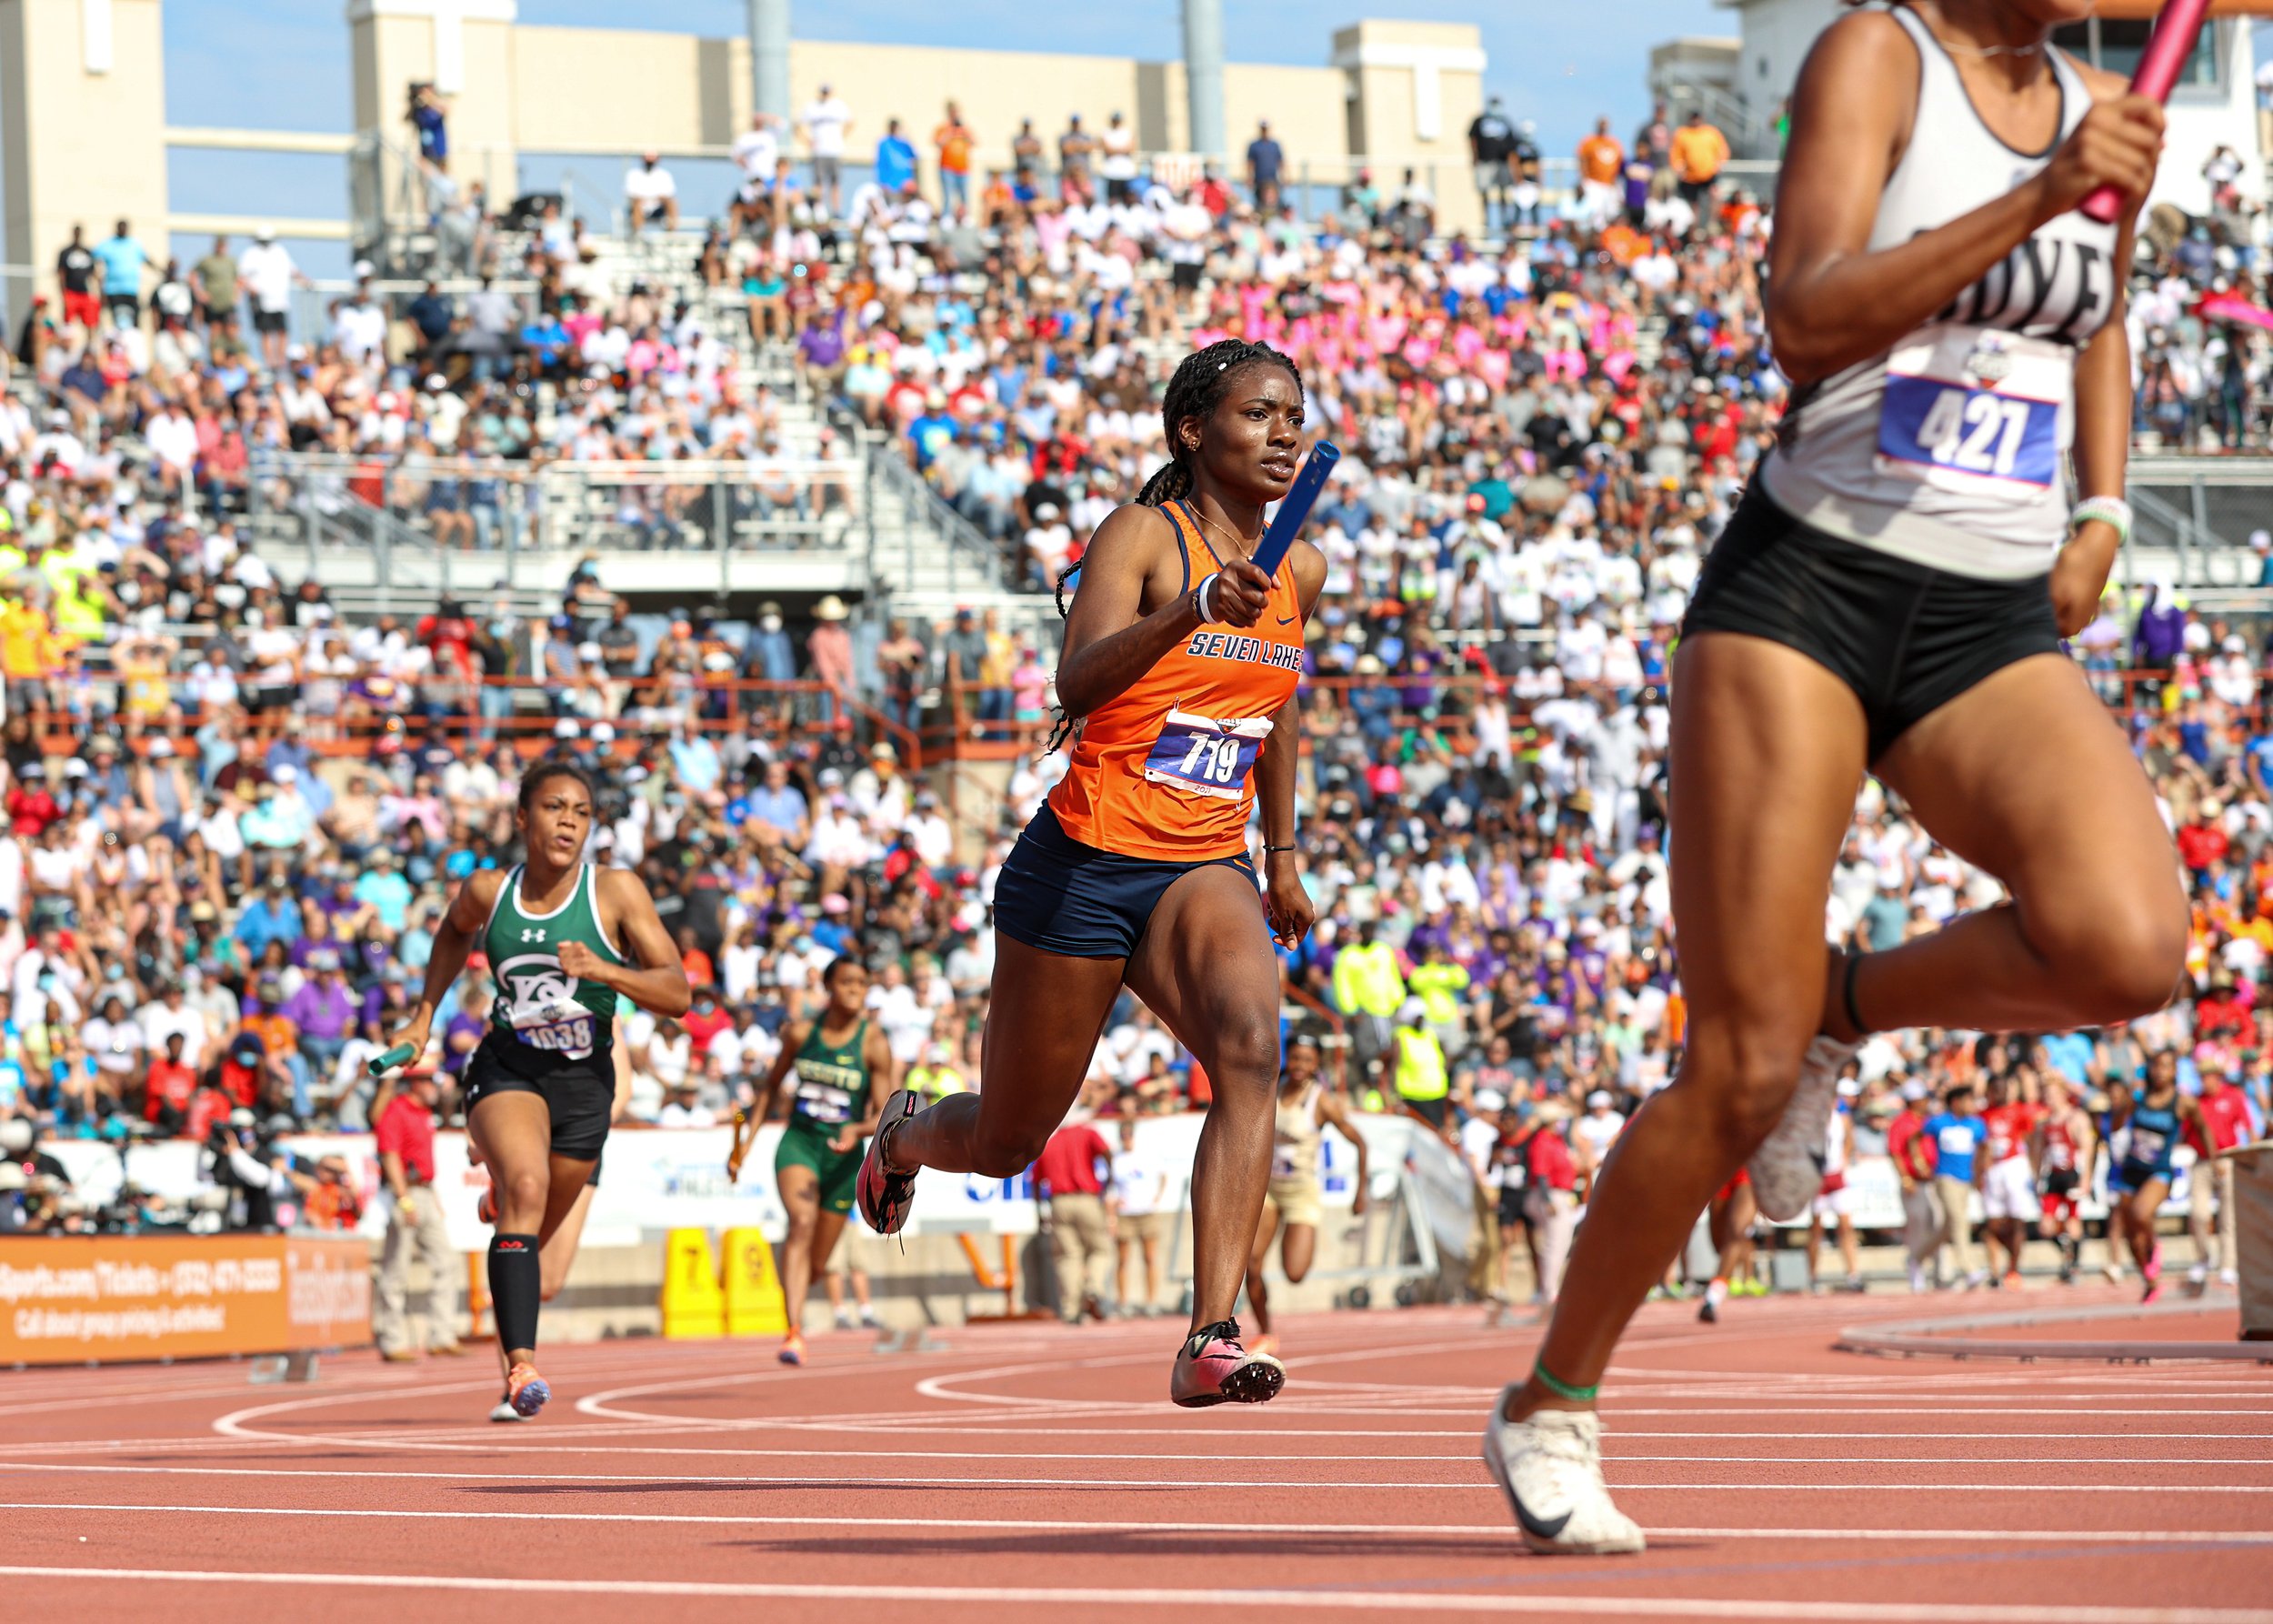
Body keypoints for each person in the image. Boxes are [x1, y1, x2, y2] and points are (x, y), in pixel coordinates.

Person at [1484, 0, 2178, 1555]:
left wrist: (2109, 510)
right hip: (1809, 590)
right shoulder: (1878, 54)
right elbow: (1803, 320)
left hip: (1989, 611)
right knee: (1734, 1059)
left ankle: (1845, 1013)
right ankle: (1551, 1400)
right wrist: (2037, 193)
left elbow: (2102, 314)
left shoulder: (2096, 105)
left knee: (2128, 944)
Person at [853, 337, 1323, 1408]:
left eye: (1294, 414)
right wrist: (1193, 611)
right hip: (1086, 860)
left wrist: (1283, 853)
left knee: (1251, 1048)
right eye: (1258, 414)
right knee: (1012, 1136)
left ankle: (1208, 1332)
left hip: (1204, 860)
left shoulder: (1302, 565)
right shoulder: (1142, 536)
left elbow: (1279, 703)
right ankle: (904, 1134)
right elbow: (1077, 673)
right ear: (1193, 433)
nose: (1284, 432)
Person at [384, 760, 690, 1418]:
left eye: (581, 812)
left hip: (584, 1088)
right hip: (509, 1067)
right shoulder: (489, 891)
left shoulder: (615, 893)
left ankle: (506, 1199)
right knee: (525, 1190)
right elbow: (451, 933)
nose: (569, 823)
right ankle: (520, 1369)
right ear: (523, 818)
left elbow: (678, 993)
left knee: (538, 1259)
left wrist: (605, 968)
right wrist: (423, 1016)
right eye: (555, 808)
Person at [726, 955, 896, 1366]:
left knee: (818, 1264)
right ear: (828, 987)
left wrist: (855, 1131)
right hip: (800, 1142)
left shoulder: (873, 1042)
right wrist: (745, 1145)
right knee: (800, 1223)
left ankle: (799, 1282)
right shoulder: (802, 1033)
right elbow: (769, 1088)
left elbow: (888, 1113)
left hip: (843, 1156)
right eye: (847, 982)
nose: (856, 989)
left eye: (862, 982)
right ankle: (793, 1333)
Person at [1244, 1037, 1368, 1357]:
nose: (1299, 1066)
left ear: (1316, 1065)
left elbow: (1360, 1143)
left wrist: (1361, 1191)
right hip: (1269, 1189)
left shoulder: (1321, 1102)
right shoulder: (1272, 1089)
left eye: (1307, 1061)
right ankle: (1266, 1331)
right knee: (1252, 1264)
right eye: (1295, 1058)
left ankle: (1296, 1241)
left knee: (1295, 1273)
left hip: (1301, 1193)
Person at [2107, 1049, 2218, 1303]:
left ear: (2175, 1071)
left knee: (2140, 1213)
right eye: (2156, 1066)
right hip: (2131, 1169)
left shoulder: (2183, 1103)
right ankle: (2150, 1281)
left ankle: (2154, 1245)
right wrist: (2125, 1103)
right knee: (2130, 1235)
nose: (2160, 1072)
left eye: (2166, 1067)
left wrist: (2214, 1160)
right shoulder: (2139, 1097)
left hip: (2159, 1172)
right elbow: (2115, 1125)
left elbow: (2202, 1128)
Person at [1037, 1117, 1116, 1322]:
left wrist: (1040, 1214)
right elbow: (1107, 1151)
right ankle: (1094, 1288)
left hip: (1059, 1203)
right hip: (1086, 1199)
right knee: (1101, 1250)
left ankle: (1071, 1310)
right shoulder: (1086, 1132)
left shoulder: (1050, 1143)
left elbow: (1037, 1181)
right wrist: (1109, 1177)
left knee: (1067, 1257)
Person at [1978, 1069, 2042, 1286]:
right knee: (1993, 1222)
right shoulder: (1983, 1115)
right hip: (1993, 1169)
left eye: (2004, 1089)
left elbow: (2033, 1136)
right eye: (1996, 1090)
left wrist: (2033, 1166)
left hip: (2013, 1164)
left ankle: (2013, 1268)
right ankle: (1994, 1269)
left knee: (2017, 1219)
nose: (2000, 1093)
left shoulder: (2019, 1111)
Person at [1923, 1082, 1989, 1289]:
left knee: (1947, 1228)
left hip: (1965, 1180)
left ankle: (1915, 1259)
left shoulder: (1976, 1124)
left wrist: (1980, 1173)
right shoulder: (1938, 1123)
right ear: (1955, 1102)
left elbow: (1984, 1148)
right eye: (1968, 1100)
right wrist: (1922, 1163)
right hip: (1945, 1178)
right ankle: (1969, 1269)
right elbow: (1917, 1140)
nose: (1972, 1104)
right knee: (1960, 1221)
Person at [2032, 1071, 2095, 1284]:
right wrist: (2037, 1176)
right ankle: (2068, 1255)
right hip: (2053, 1176)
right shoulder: (2045, 1122)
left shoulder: (2076, 1118)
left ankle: (2074, 1264)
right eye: (2046, 1094)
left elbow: (2088, 1149)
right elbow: (2040, 1151)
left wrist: (2086, 1179)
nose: (2048, 1098)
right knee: (2045, 1226)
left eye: (2052, 1094)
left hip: (2071, 1175)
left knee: (2072, 1222)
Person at [1111, 1115, 1175, 1317]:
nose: (1126, 1138)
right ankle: (1123, 1302)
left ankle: (1151, 1301)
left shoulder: (1146, 1155)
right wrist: (1112, 1211)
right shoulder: (1116, 1159)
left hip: (1146, 1212)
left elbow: (1163, 1175)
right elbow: (1110, 1186)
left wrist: (1157, 1197)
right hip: (1125, 1214)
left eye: (1129, 1134)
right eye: (1123, 1135)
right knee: (1123, 1259)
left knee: (1149, 1257)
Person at [1807, 1083, 1864, 1293]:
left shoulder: (1842, 1119)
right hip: (1819, 1178)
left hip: (1836, 1176)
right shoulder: (1813, 1121)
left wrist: (1844, 1160)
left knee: (1846, 1226)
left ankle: (1853, 1274)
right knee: (1816, 1229)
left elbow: (1849, 1139)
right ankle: (1812, 1276)